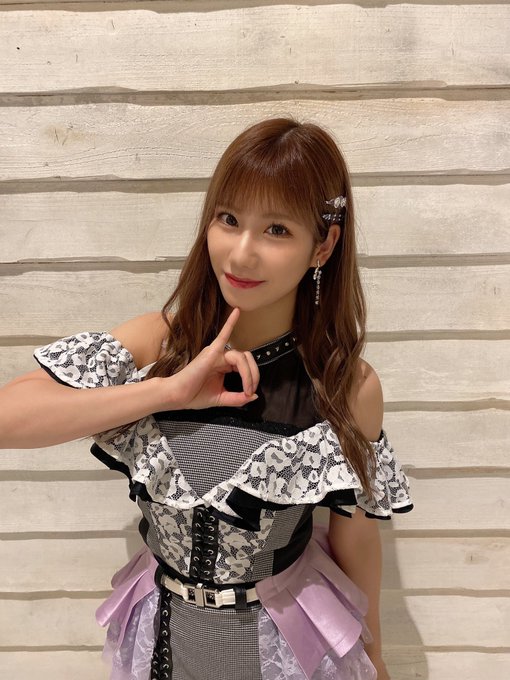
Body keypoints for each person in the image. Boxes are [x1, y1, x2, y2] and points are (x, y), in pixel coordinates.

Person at [0, 117, 413, 680]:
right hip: (160, 637)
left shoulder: (346, 386)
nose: (240, 255)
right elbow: (9, 419)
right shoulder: (157, 343)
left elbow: (356, 536)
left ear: (323, 245)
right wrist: (165, 390)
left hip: (284, 649)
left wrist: (377, 655)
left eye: (276, 230)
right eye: (229, 219)